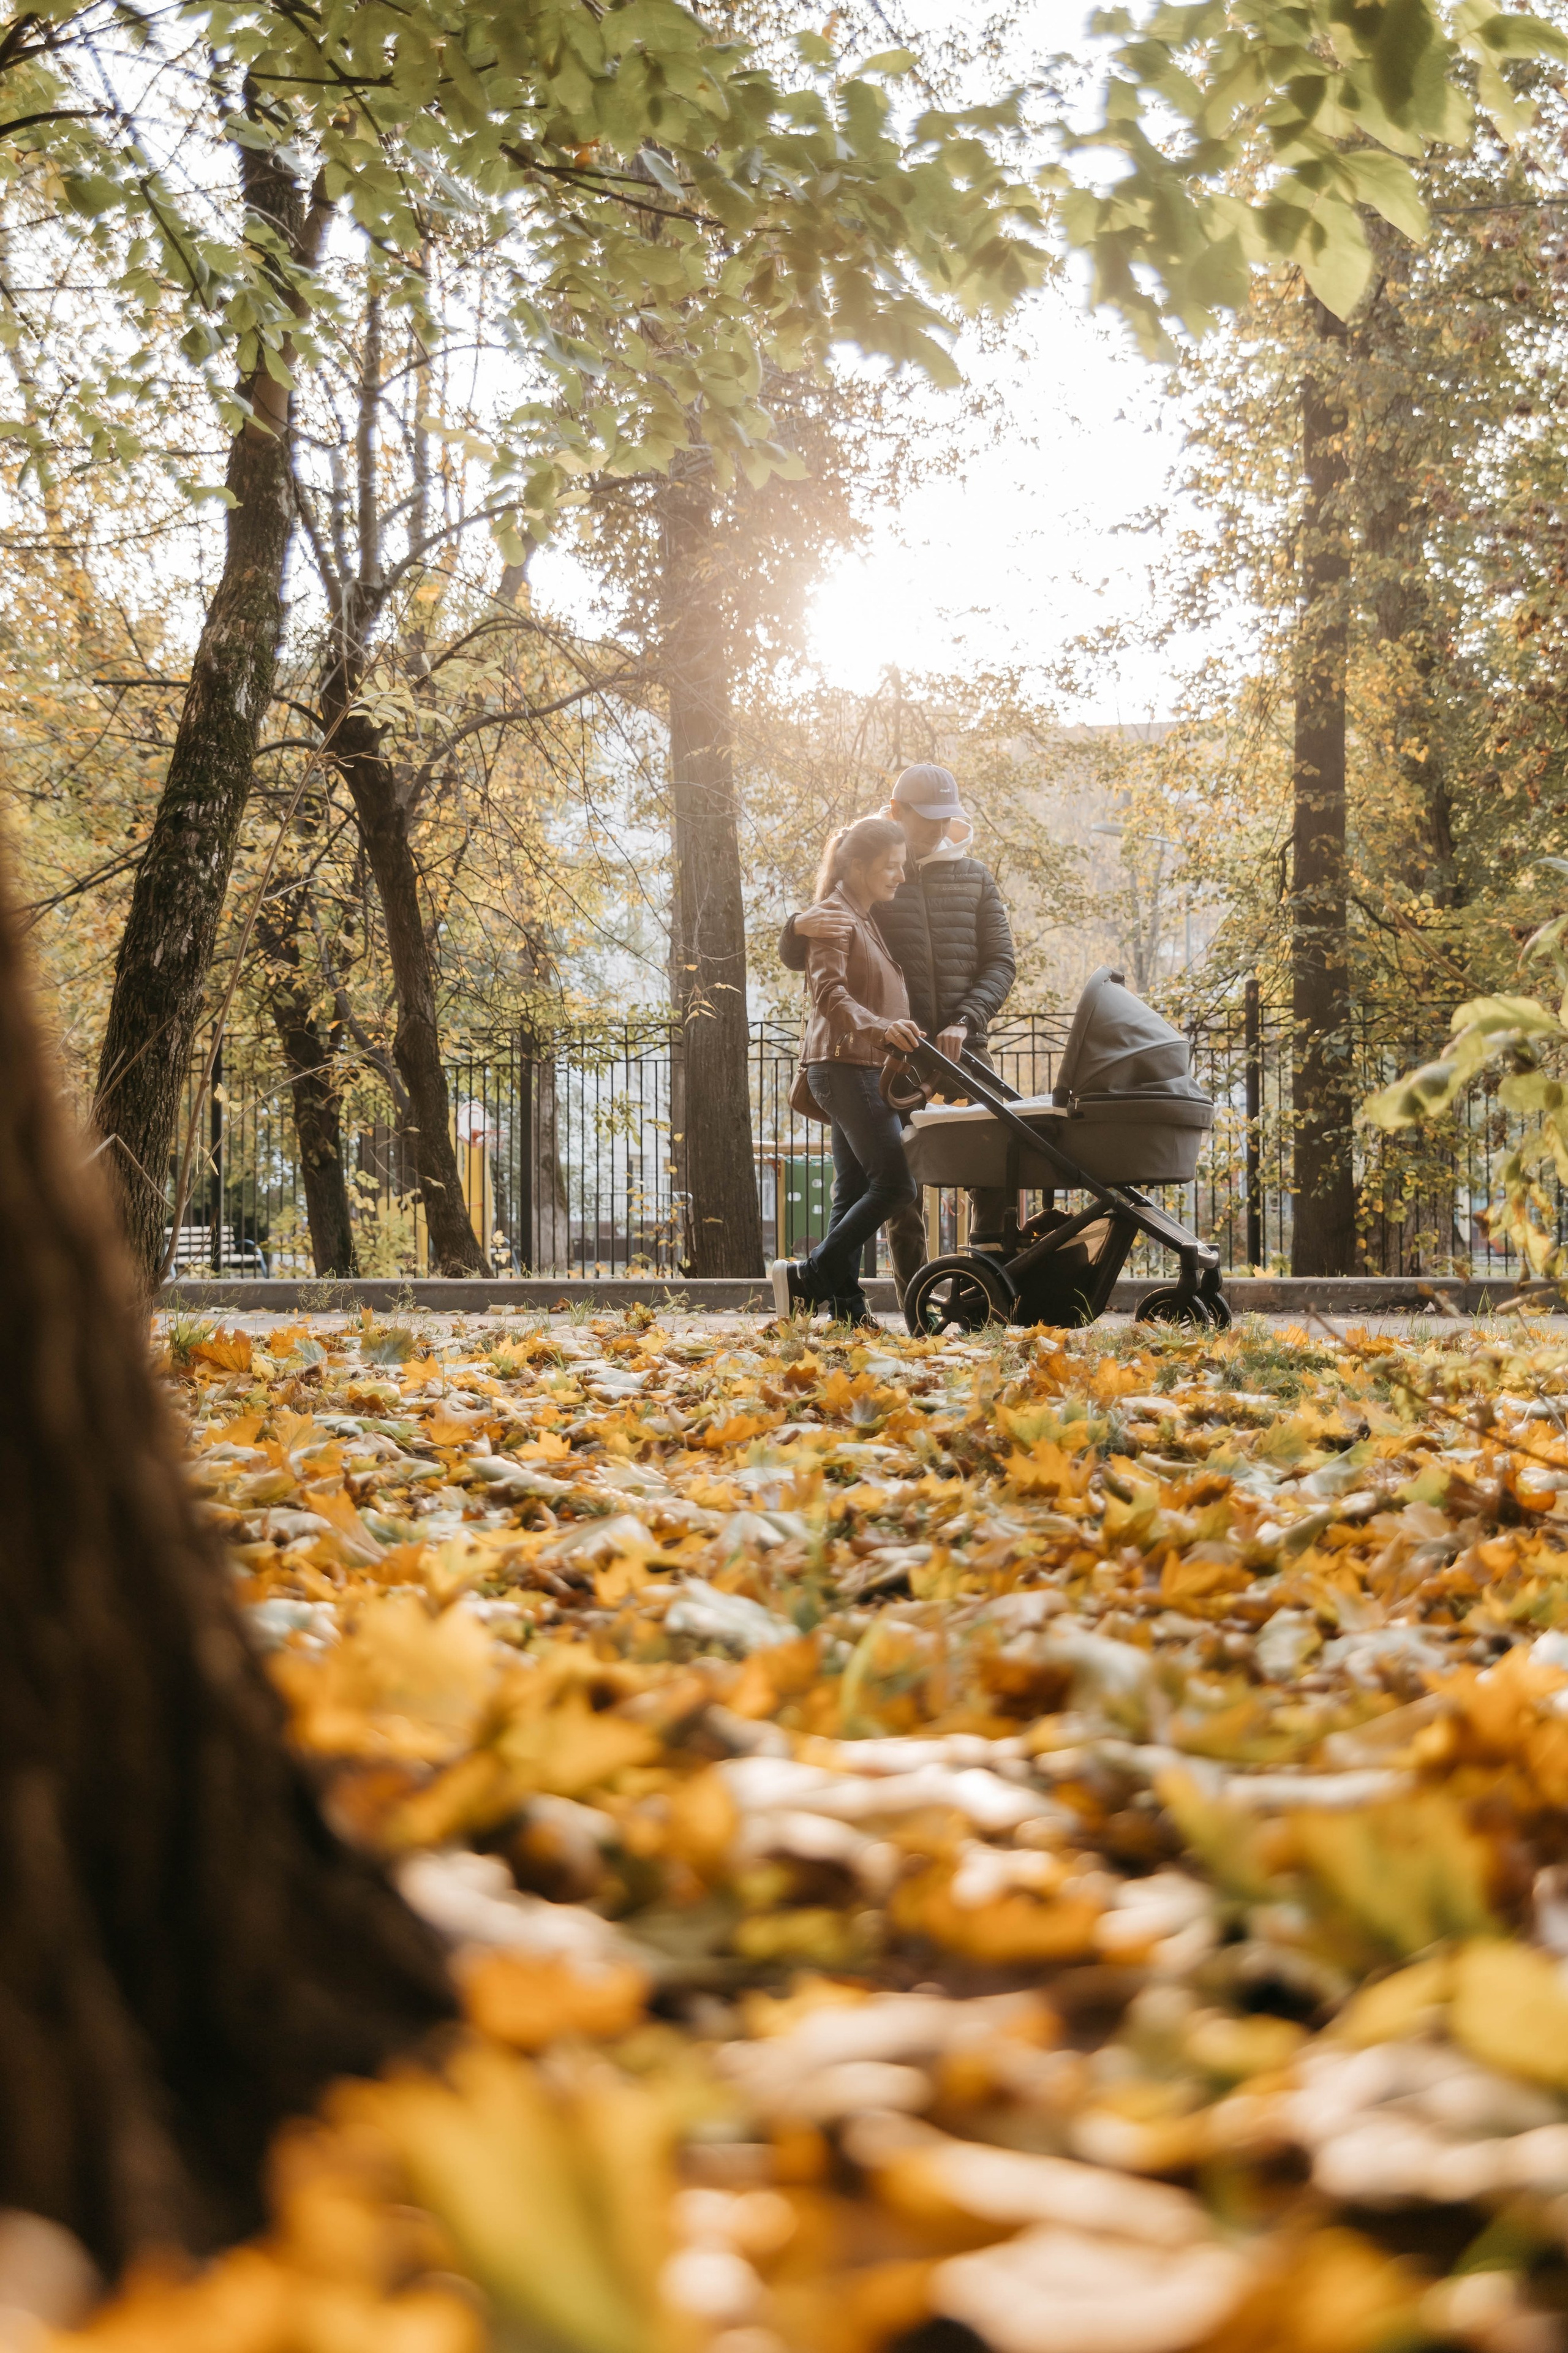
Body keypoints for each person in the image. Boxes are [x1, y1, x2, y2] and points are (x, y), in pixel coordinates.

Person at [778, 763, 1017, 1296]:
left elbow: (1001, 961)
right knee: (899, 1195)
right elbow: (818, 945)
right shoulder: (876, 874)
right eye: (925, 818)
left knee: (994, 1170)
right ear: (896, 813)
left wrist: (965, 1019)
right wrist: (794, 924)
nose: (936, 829)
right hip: (893, 1058)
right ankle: (919, 1309)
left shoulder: (975, 877)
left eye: (945, 818)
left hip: (964, 1052)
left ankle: (982, 1294)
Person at [770, 816, 923, 1324]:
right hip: (845, 1066)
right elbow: (829, 994)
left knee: (854, 1191)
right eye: (891, 866)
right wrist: (880, 1029)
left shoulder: (862, 914)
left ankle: (846, 1310)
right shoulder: (835, 917)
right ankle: (809, 1277)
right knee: (896, 1185)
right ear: (858, 866)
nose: (900, 875)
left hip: (858, 1066)